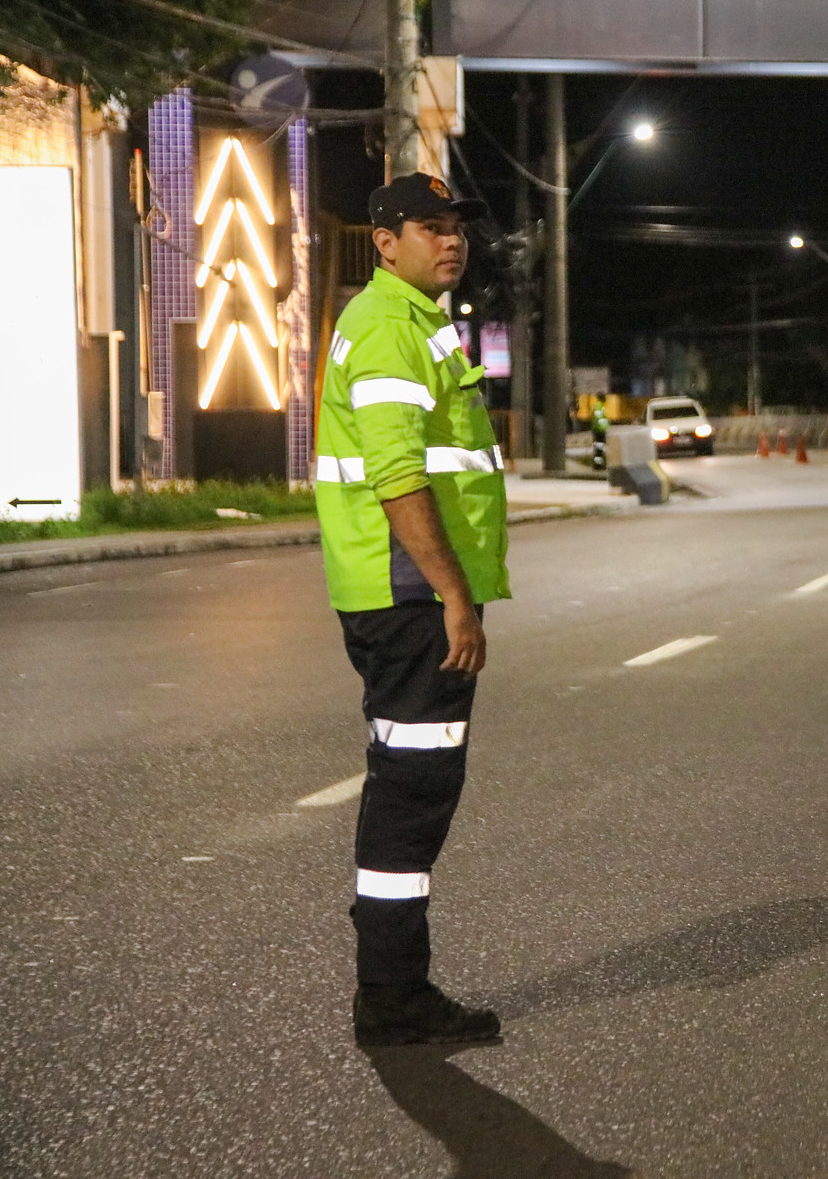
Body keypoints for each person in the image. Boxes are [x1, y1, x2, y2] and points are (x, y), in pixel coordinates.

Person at [315, 172, 509, 1047]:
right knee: (412, 794)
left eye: (456, 226)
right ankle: (392, 1000)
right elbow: (397, 474)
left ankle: (391, 991)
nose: (452, 238)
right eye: (431, 226)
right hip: (410, 596)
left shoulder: (415, 323)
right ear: (385, 242)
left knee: (412, 787)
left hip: (404, 592)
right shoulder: (390, 327)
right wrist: (454, 595)